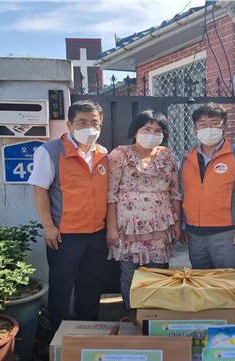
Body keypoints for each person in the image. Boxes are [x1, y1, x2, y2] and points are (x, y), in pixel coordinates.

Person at [28, 100, 109, 333]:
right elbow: (39, 190)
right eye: (82, 122)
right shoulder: (51, 152)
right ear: (69, 124)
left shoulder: (102, 153)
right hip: (65, 236)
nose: (89, 127)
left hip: (96, 234)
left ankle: (89, 333)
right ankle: (58, 339)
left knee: (91, 288)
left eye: (94, 122)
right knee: (62, 288)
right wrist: (48, 227)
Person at [107, 111, 181, 309]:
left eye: (157, 130)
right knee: (129, 272)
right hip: (128, 226)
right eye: (147, 129)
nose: (152, 134)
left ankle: (154, 316)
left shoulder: (167, 155)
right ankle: (131, 313)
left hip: (159, 224)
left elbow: (174, 192)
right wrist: (112, 229)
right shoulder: (119, 155)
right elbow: (111, 195)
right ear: (135, 130)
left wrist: (177, 223)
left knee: (157, 273)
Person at [179, 103, 235, 276]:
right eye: (202, 124)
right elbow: (184, 194)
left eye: (214, 123)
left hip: (228, 235)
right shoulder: (186, 159)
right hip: (195, 236)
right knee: (202, 287)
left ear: (224, 125)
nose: (208, 128)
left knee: (229, 286)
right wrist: (184, 225)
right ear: (195, 128)